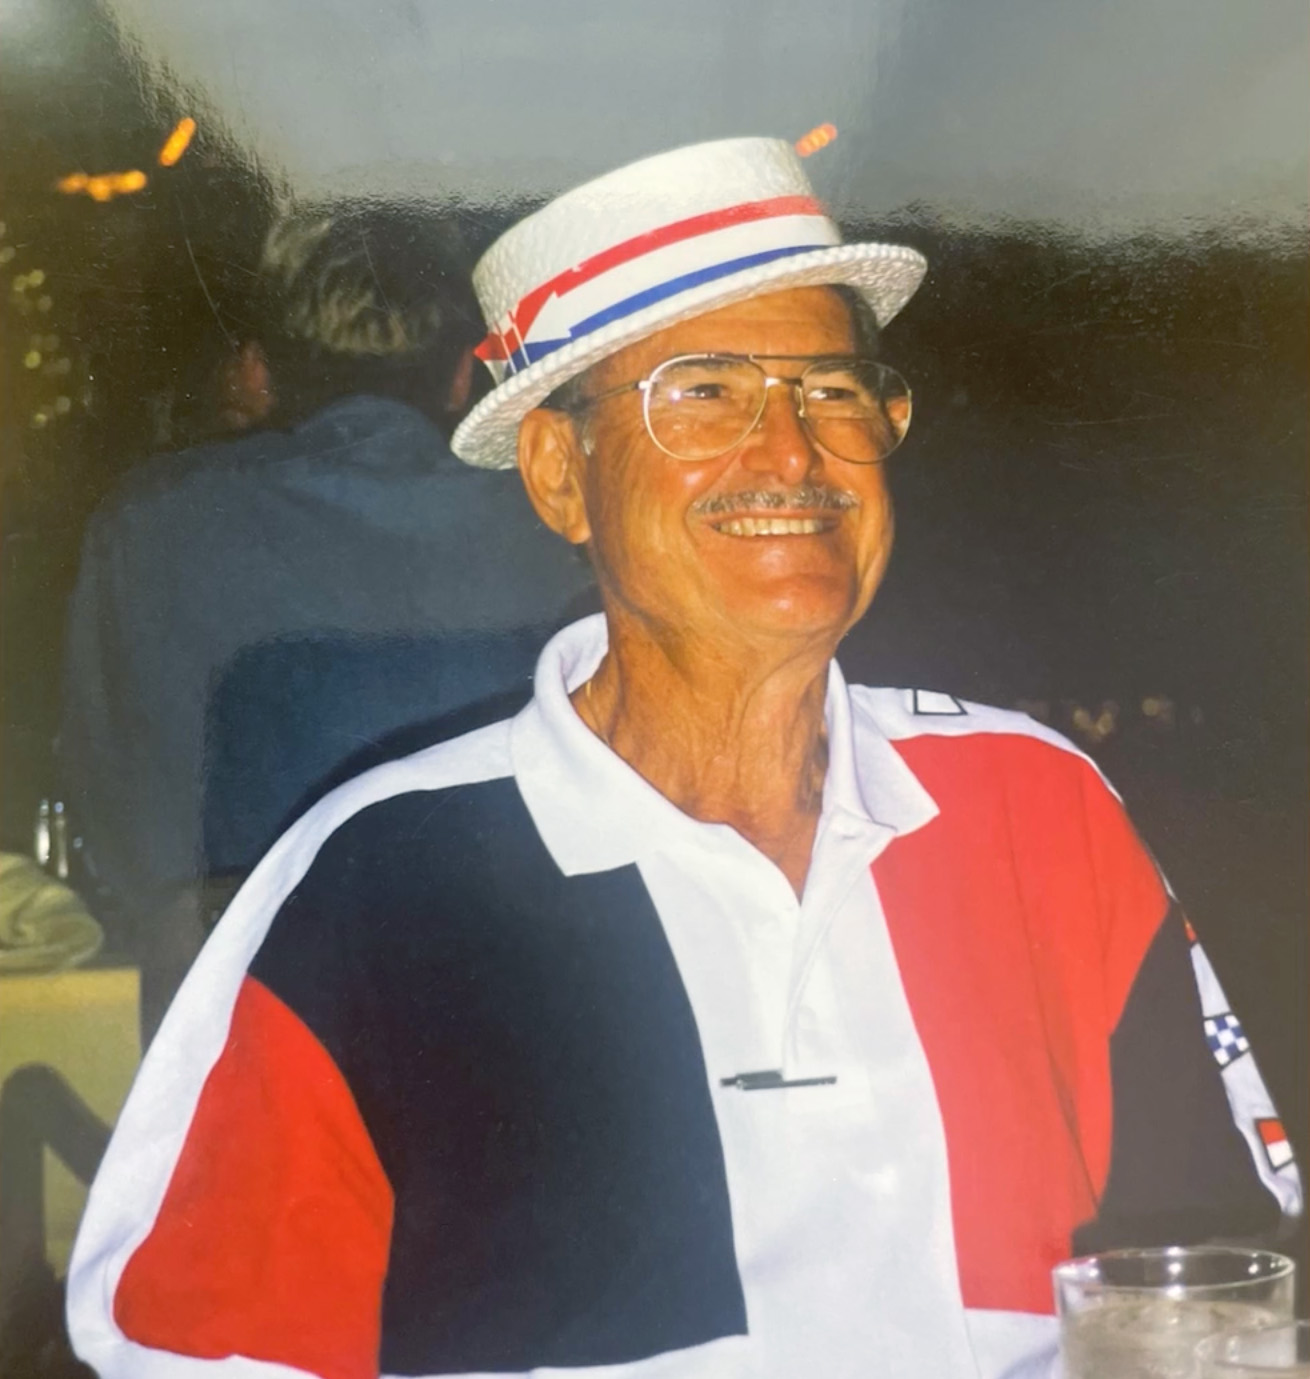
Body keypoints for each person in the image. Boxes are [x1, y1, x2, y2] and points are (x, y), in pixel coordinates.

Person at [68, 139, 1300, 1379]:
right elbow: (193, 1345)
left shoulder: (1035, 809)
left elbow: (1217, 1276)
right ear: (560, 472)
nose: (792, 454)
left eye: (832, 390)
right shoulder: (374, 888)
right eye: (703, 393)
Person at [59, 203, 595, 1033]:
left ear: (258, 370)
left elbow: (126, 835)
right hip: (538, 1000)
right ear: (463, 374)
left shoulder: (155, 525)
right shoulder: (561, 515)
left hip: (259, 1020)